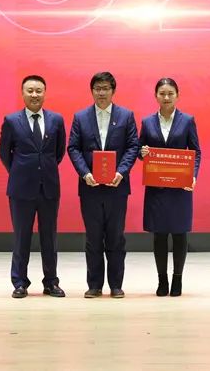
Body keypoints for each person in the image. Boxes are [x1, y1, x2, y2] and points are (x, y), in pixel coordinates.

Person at [67, 72, 140, 299]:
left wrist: (121, 171)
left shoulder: (126, 116)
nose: (101, 92)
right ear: (92, 91)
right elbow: (73, 148)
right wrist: (84, 173)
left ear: (113, 91)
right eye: (97, 88)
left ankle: (116, 285)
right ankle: (94, 285)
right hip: (90, 187)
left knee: (116, 237)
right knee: (93, 238)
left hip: (117, 187)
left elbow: (133, 146)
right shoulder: (80, 117)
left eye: (106, 88)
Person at [0, 75, 67, 299]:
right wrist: (20, 171)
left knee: (50, 237)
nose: (34, 95)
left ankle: (51, 282)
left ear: (45, 93)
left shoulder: (56, 120)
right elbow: (4, 153)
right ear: (22, 93)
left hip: (49, 188)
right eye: (30, 90)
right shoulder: (11, 120)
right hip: (21, 189)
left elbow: (58, 152)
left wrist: (43, 169)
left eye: (39, 90)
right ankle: (20, 282)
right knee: (22, 237)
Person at [139, 77, 201, 297]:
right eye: (162, 93)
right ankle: (162, 280)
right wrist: (142, 152)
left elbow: (196, 151)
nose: (166, 97)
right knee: (159, 235)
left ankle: (177, 279)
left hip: (180, 188)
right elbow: (139, 150)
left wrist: (193, 176)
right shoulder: (147, 122)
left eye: (170, 93)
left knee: (179, 234)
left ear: (177, 95)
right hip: (157, 189)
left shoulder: (187, 120)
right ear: (156, 96)